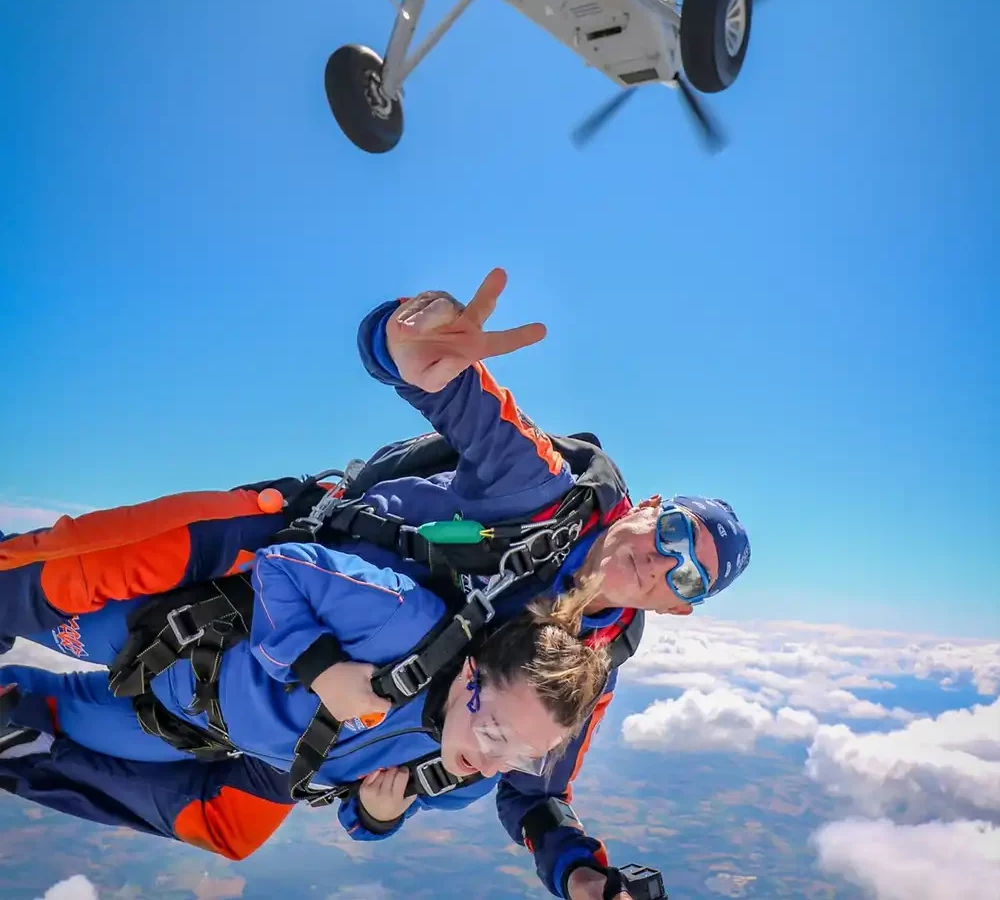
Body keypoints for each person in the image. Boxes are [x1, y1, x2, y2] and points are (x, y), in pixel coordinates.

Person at [1, 268, 751, 899]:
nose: (662, 561)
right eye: (674, 534)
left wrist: (578, 876)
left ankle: (20, 730)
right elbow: (454, 390)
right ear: (649, 507)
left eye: (686, 573)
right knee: (54, 573)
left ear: (680, 605)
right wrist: (411, 338)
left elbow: (531, 788)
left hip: (284, 720)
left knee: (223, 823)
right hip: (255, 574)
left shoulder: (589, 671)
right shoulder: (545, 495)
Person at [0, 538, 610, 848]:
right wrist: (320, 669)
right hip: (157, 636)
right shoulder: (403, 623)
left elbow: (355, 816)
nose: (494, 762)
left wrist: (379, 815)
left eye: (523, 757)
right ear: (472, 676)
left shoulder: (456, 779)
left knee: (22, 723)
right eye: (498, 733)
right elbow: (283, 565)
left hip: (182, 732)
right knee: (9, 589)